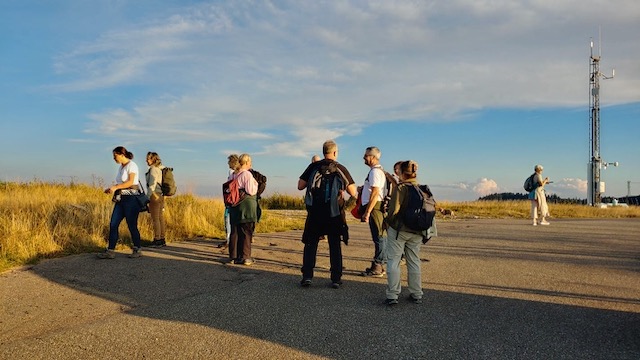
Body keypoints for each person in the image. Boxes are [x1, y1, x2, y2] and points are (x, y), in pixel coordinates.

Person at [298, 140, 357, 289]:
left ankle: (307, 276)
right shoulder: (339, 168)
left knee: (311, 244)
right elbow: (353, 191)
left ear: (323, 151)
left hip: (315, 212)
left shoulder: (313, 166)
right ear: (335, 152)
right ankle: (336, 278)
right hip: (334, 213)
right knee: (334, 245)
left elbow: (300, 186)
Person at [383, 160, 425, 305]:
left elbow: (393, 211)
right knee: (414, 261)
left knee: (393, 261)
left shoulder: (401, 188)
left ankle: (393, 295)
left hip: (400, 230)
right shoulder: (421, 189)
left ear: (402, 172)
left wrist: (388, 224)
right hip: (417, 231)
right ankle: (416, 293)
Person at [98, 146, 144, 259]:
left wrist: (115, 187)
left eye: (115, 156)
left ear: (122, 154)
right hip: (121, 199)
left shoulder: (132, 165)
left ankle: (137, 249)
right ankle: (110, 250)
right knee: (113, 223)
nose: (114, 158)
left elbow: (130, 182)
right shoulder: (121, 167)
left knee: (131, 225)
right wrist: (112, 189)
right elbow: (121, 182)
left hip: (131, 199)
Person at [360, 146, 387, 277]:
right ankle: (379, 264)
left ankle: (378, 265)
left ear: (373, 157)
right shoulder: (378, 171)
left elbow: (375, 192)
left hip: (375, 207)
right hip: (376, 206)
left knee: (379, 237)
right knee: (379, 236)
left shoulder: (375, 172)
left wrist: (367, 212)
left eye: (366, 155)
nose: (364, 157)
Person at [227, 153, 259, 265]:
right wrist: (256, 184)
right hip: (246, 206)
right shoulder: (246, 174)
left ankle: (233, 257)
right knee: (246, 231)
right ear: (246, 163)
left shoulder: (233, 175)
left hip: (234, 206)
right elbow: (251, 191)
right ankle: (245, 257)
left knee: (234, 231)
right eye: (250, 162)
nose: (251, 164)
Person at [145, 152, 167, 247]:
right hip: (161, 196)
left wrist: (147, 198)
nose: (146, 160)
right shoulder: (161, 169)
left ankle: (157, 239)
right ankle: (162, 239)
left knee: (155, 219)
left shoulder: (153, 169)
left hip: (154, 195)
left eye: (148, 159)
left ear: (153, 159)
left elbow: (152, 185)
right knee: (160, 218)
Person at [220, 154, 240, 249]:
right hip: (235, 200)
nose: (228, 163)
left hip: (230, 200)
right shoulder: (240, 172)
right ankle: (229, 239)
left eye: (229, 161)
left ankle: (228, 240)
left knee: (227, 219)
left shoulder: (232, 173)